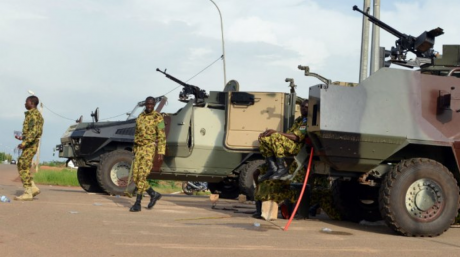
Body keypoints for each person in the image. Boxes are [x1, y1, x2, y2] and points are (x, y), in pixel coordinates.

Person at [130, 96, 166, 212]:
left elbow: (162, 136)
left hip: (149, 148)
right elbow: (136, 133)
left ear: (154, 104)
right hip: (139, 148)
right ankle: (153, 194)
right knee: (135, 176)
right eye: (148, 104)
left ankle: (138, 203)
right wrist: (134, 149)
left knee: (142, 176)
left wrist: (161, 152)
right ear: (145, 104)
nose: (149, 106)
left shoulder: (158, 117)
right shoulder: (140, 116)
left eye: (151, 104)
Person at [258, 99, 309, 181]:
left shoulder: (307, 122)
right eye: (302, 106)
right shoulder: (299, 119)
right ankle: (272, 168)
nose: (303, 108)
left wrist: (276, 132)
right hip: (290, 144)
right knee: (263, 138)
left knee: (275, 136)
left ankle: (282, 168)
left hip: (296, 147)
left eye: (306, 107)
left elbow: (296, 137)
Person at [14, 96, 44, 201]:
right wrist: (22, 138)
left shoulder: (34, 115)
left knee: (22, 164)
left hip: (30, 145)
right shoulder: (32, 115)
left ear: (31, 102)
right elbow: (31, 131)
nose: (24, 104)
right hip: (30, 144)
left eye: (26, 102)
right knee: (23, 165)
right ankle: (33, 188)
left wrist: (25, 142)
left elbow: (34, 132)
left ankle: (28, 192)